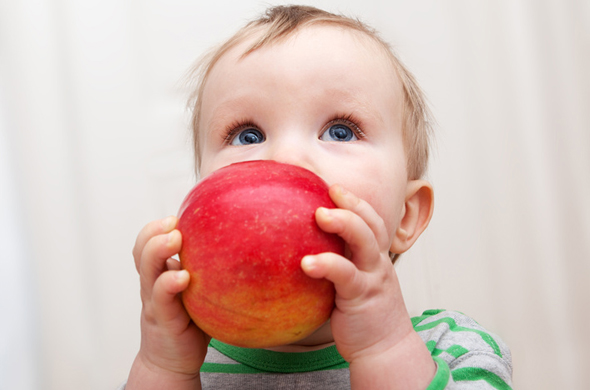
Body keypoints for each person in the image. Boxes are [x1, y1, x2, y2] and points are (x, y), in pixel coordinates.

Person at [123, 5, 513, 389]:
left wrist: (384, 348)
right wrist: (162, 370)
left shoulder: (451, 347)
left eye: (340, 131)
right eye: (248, 136)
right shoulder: (187, 359)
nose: (286, 159)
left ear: (407, 216)